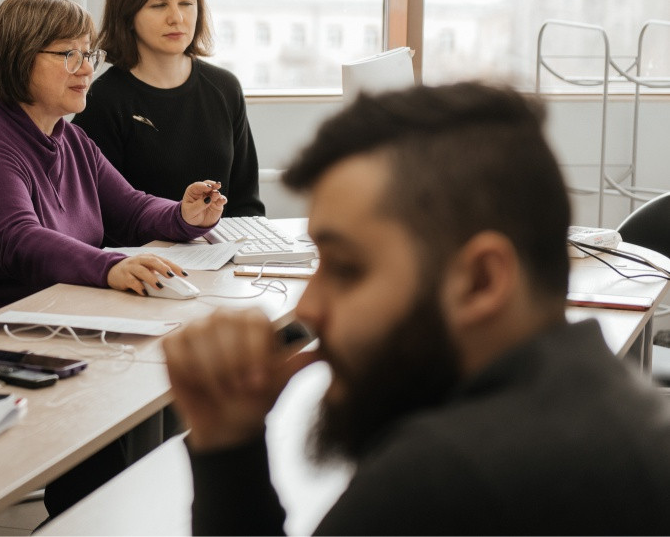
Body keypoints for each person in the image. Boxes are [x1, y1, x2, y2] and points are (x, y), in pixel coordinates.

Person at [163, 82, 670, 535]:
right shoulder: (613, 406)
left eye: (347, 268)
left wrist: (226, 455)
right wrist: (228, 438)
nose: (310, 307)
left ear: (481, 280)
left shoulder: (443, 480)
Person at [0, 0, 226, 338]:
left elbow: (131, 209)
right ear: (18, 58)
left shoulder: (68, 137)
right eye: (69, 54)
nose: (85, 69)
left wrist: (182, 215)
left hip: (38, 319)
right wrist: (111, 267)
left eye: (87, 54)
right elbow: (22, 242)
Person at [74, 0, 264, 217]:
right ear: (128, 15)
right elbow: (97, 215)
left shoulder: (225, 88)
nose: (177, 17)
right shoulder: (102, 99)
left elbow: (247, 205)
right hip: (142, 255)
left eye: (186, 3)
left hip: (223, 253)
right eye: (159, 5)